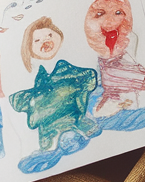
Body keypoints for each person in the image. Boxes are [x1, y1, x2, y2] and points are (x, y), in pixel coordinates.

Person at [9, 16, 100, 168]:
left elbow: (86, 77)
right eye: (37, 40)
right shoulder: (40, 75)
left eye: (50, 35)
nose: (46, 41)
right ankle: (54, 140)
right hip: (49, 121)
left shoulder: (64, 64)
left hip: (73, 113)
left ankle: (72, 132)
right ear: (29, 48)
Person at [84, 0, 145, 116]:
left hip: (132, 100)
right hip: (108, 103)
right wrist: (142, 76)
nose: (110, 19)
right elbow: (108, 75)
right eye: (100, 14)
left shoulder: (131, 39)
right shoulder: (93, 49)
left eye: (118, 12)